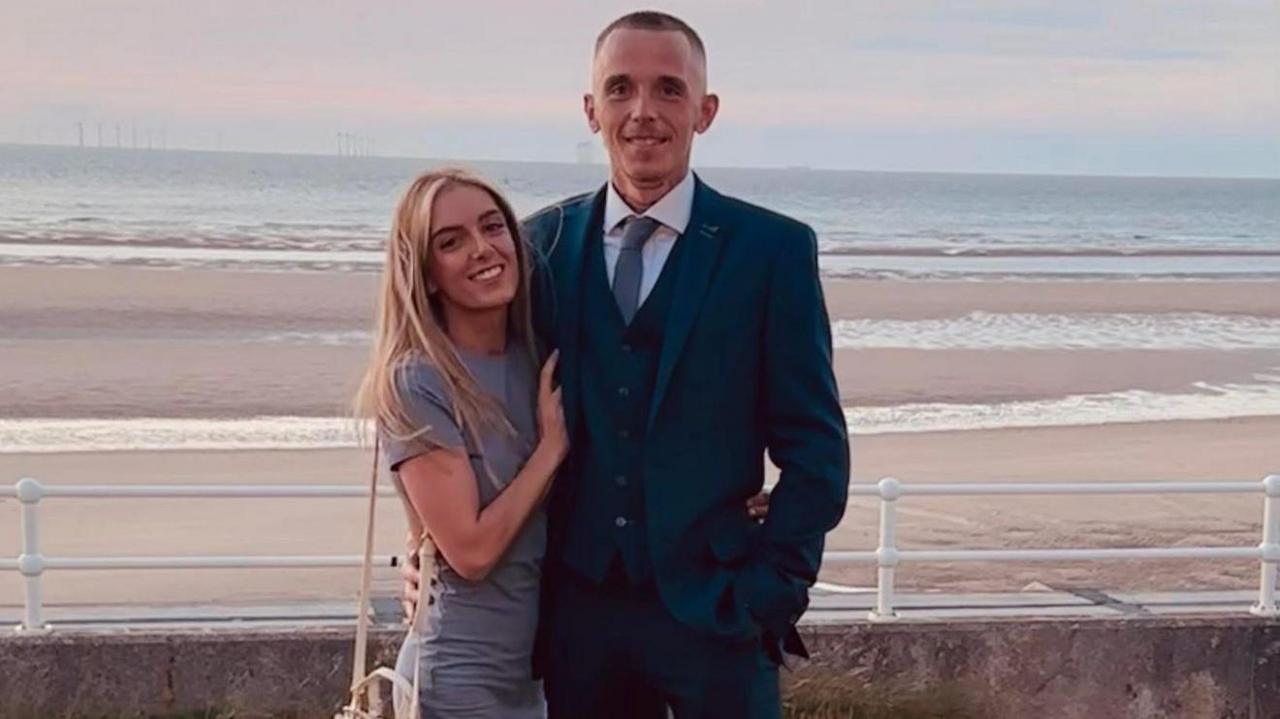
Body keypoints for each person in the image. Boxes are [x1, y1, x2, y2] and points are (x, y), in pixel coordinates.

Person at [405, 11, 849, 718]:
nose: (643, 111)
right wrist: (426, 537)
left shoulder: (772, 252)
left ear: (705, 111)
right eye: (620, 89)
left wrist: (772, 590)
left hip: (720, 612)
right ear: (591, 110)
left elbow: (817, 450)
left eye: (669, 90)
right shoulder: (537, 248)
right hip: (579, 620)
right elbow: (473, 395)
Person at [355, 168, 564, 717]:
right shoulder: (417, 380)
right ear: (425, 275)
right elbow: (470, 553)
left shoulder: (540, 360)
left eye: (492, 227)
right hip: (456, 681)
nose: (482, 249)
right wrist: (550, 452)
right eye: (450, 242)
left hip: (538, 678)